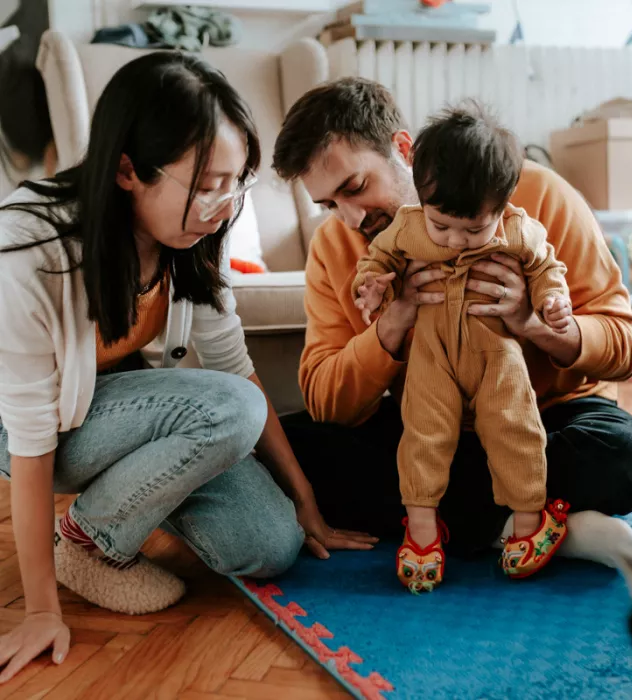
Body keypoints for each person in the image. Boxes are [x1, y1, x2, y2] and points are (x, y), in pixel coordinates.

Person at [0, 54, 375, 683]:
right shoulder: (28, 249)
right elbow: (34, 435)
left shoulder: (193, 239)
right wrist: (41, 609)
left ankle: (120, 506)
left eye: (236, 183)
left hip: (112, 408)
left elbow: (234, 363)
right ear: (127, 170)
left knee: (271, 545)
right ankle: (90, 540)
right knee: (233, 407)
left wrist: (305, 501)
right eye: (206, 185)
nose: (223, 206)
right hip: (20, 430)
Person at [272, 77, 632, 574]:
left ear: (404, 150)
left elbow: (626, 346)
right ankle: (528, 527)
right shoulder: (334, 248)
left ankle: (444, 519)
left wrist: (535, 324)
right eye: (328, 204)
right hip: (426, 423)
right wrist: (392, 322)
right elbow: (326, 400)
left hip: (542, 416)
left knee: (628, 457)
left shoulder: (535, 195)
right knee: (291, 453)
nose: (349, 218)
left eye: (355, 187)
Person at [352, 103, 573, 590]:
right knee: (422, 436)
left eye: (474, 230)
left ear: (503, 202)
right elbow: (377, 257)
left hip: (497, 354)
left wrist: (552, 304)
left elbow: (546, 268)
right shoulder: (408, 224)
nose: (455, 240)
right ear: (422, 196)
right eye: (442, 226)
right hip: (432, 357)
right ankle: (424, 529)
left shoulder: (519, 229)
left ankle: (528, 522)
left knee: (515, 428)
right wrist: (371, 286)